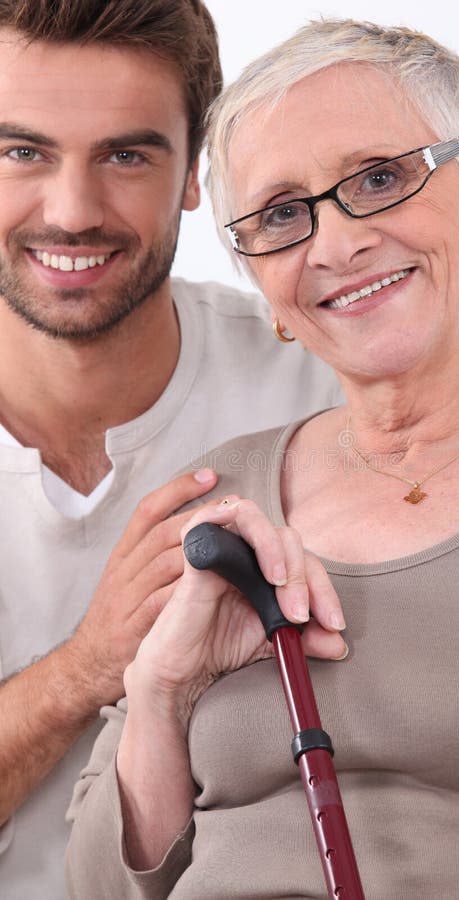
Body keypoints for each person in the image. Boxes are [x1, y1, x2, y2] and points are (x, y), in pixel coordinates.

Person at [65, 17, 459, 900]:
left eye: (381, 178)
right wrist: (161, 689)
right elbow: (97, 887)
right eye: (280, 214)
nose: (335, 242)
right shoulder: (213, 505)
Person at [0, 3, 347, 899]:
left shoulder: (322, 378)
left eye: (126, 154)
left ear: (196, 171)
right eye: (21, 151)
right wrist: (86, 667)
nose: (72, 213)